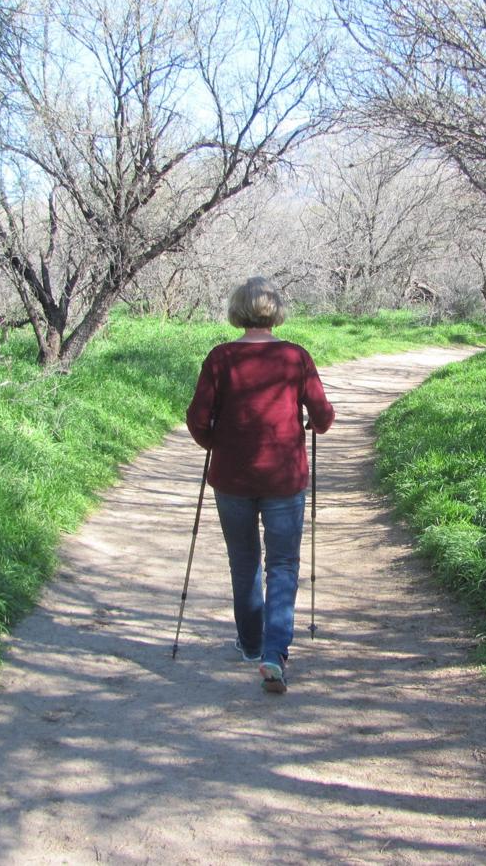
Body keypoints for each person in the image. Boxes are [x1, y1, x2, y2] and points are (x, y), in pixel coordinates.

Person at [186, 277, 335, 693]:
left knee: (244, 559)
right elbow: (322, 414)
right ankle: (274, 653)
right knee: (283, 564)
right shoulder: (295, 357)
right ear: (276, 310)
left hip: (231, 476)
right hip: (284, 478)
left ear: (238, 310)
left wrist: (215, 442)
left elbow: (197, 417)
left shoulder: (221, 358)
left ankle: (250, 644)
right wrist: (314, 423)